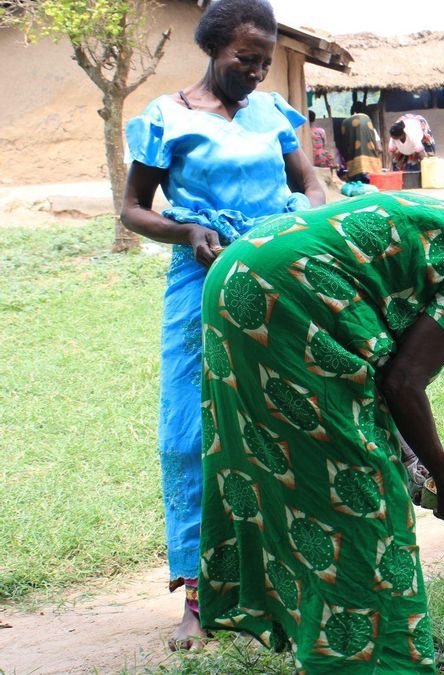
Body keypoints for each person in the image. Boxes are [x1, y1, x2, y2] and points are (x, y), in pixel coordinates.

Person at [198, 184, 444, 673]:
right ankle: (374, 661)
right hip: (288, 295)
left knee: (288, 473)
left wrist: (406, 452)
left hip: (241, 274)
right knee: (359, 496)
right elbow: (403, 383)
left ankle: (330, 637)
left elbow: (384, 374)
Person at [119, 0, 324, 651]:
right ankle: (199, 596)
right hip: (200, 284)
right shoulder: (166, 118)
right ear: (213, 49)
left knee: (279, 418)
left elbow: (313, 186)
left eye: (265, 61)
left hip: (273, 277)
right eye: (246, 60)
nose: (259, 72)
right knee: (191, 431)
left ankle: (288, 585)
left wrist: (296, 222)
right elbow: (132, 209)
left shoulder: (273, 116)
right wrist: (186, 229)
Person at [336, 101, 382, 182]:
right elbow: (379, 149)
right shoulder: (371, 130)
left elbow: (343, 147)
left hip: (354, 169)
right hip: (370, 170)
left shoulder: (346, 125)